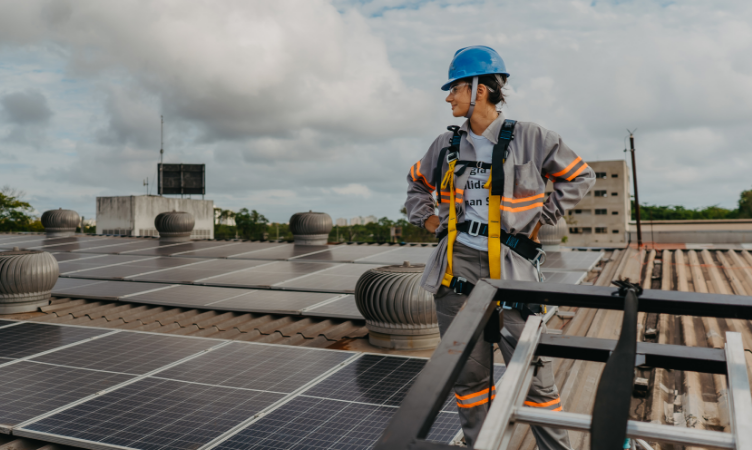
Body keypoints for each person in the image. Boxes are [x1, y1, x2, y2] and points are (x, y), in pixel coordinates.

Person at [405, 46, 595, 449]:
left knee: (533, 377)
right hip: (456, 275)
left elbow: (580, 176)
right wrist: (429, 219)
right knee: (469, 381)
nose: (448, 97)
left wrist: (542, 218)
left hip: (513, 272)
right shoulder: (445, 144)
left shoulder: (531, 137)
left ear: (480, 89)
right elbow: (416, 184)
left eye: (454, 88)